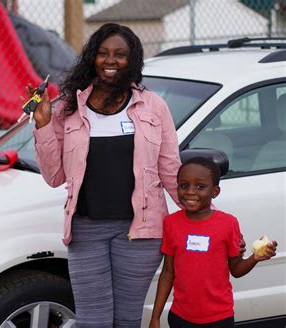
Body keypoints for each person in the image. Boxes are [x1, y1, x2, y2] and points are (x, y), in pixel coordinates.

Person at [28, 23, 182, 327]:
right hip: (86, 231)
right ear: (92, 58)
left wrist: (211, 218)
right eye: (103, 53)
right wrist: (43, 124)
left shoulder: (153, 106)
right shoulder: (69, 107)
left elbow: (170, 169)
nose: (110, 61)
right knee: (93, 320)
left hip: (139, 233)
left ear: (132, 60)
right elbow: (54, 176)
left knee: (126, 320)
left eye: (120, 55)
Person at [149, 157, 278, 328]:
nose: (190, 192)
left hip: (219, 318)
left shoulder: (228, 223)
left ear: (215, 192)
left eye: (200, 187)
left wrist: (255, 258)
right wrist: (155, 317)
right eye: (184, 185)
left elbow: (236, 270)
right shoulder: (171, 223)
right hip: (180, 317)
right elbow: (167, 271)